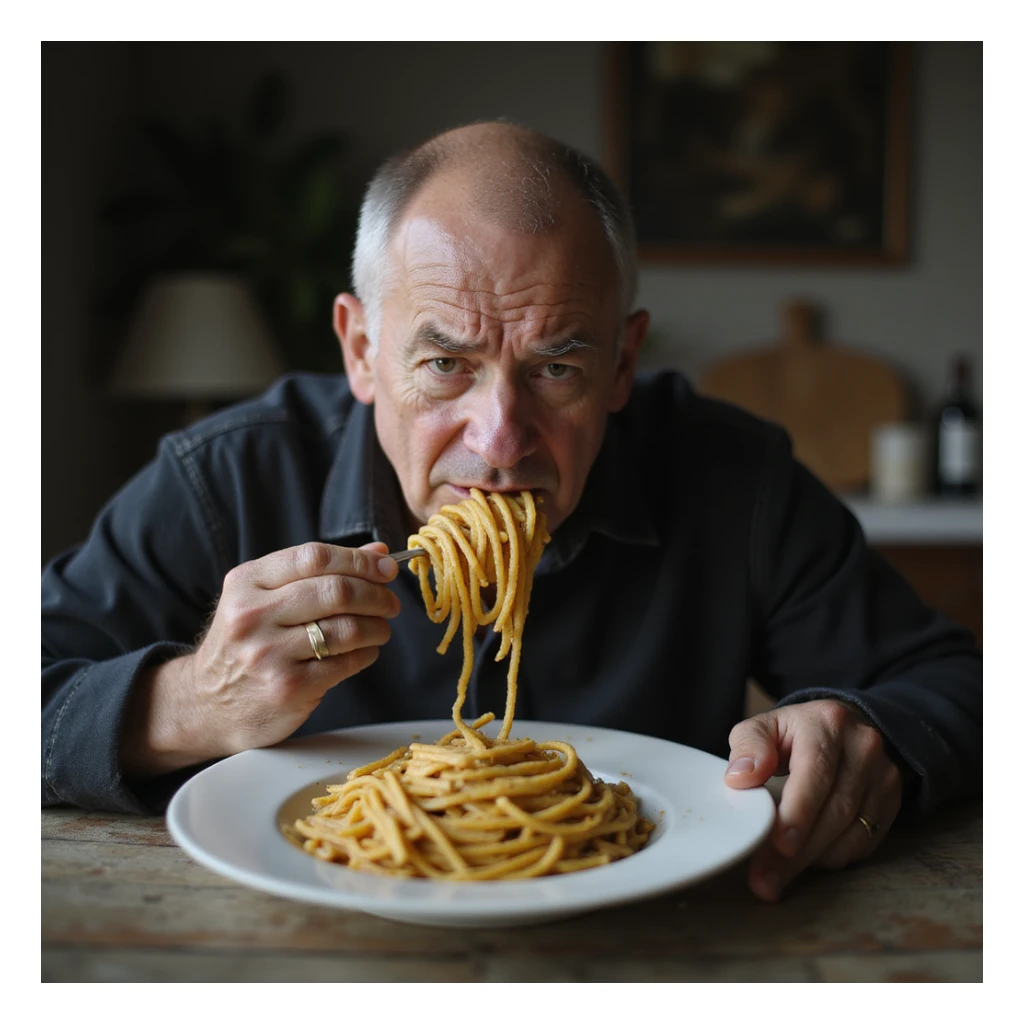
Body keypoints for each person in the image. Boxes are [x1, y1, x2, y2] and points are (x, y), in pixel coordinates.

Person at [41, 120, 981, 903]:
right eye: (446, 363)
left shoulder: (737, 480)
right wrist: (189, 701)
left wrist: (874, 734)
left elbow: (954, 681)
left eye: (557, 368)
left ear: (621, 366)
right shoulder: (228, 478)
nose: (500, 439)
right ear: (361, 350)